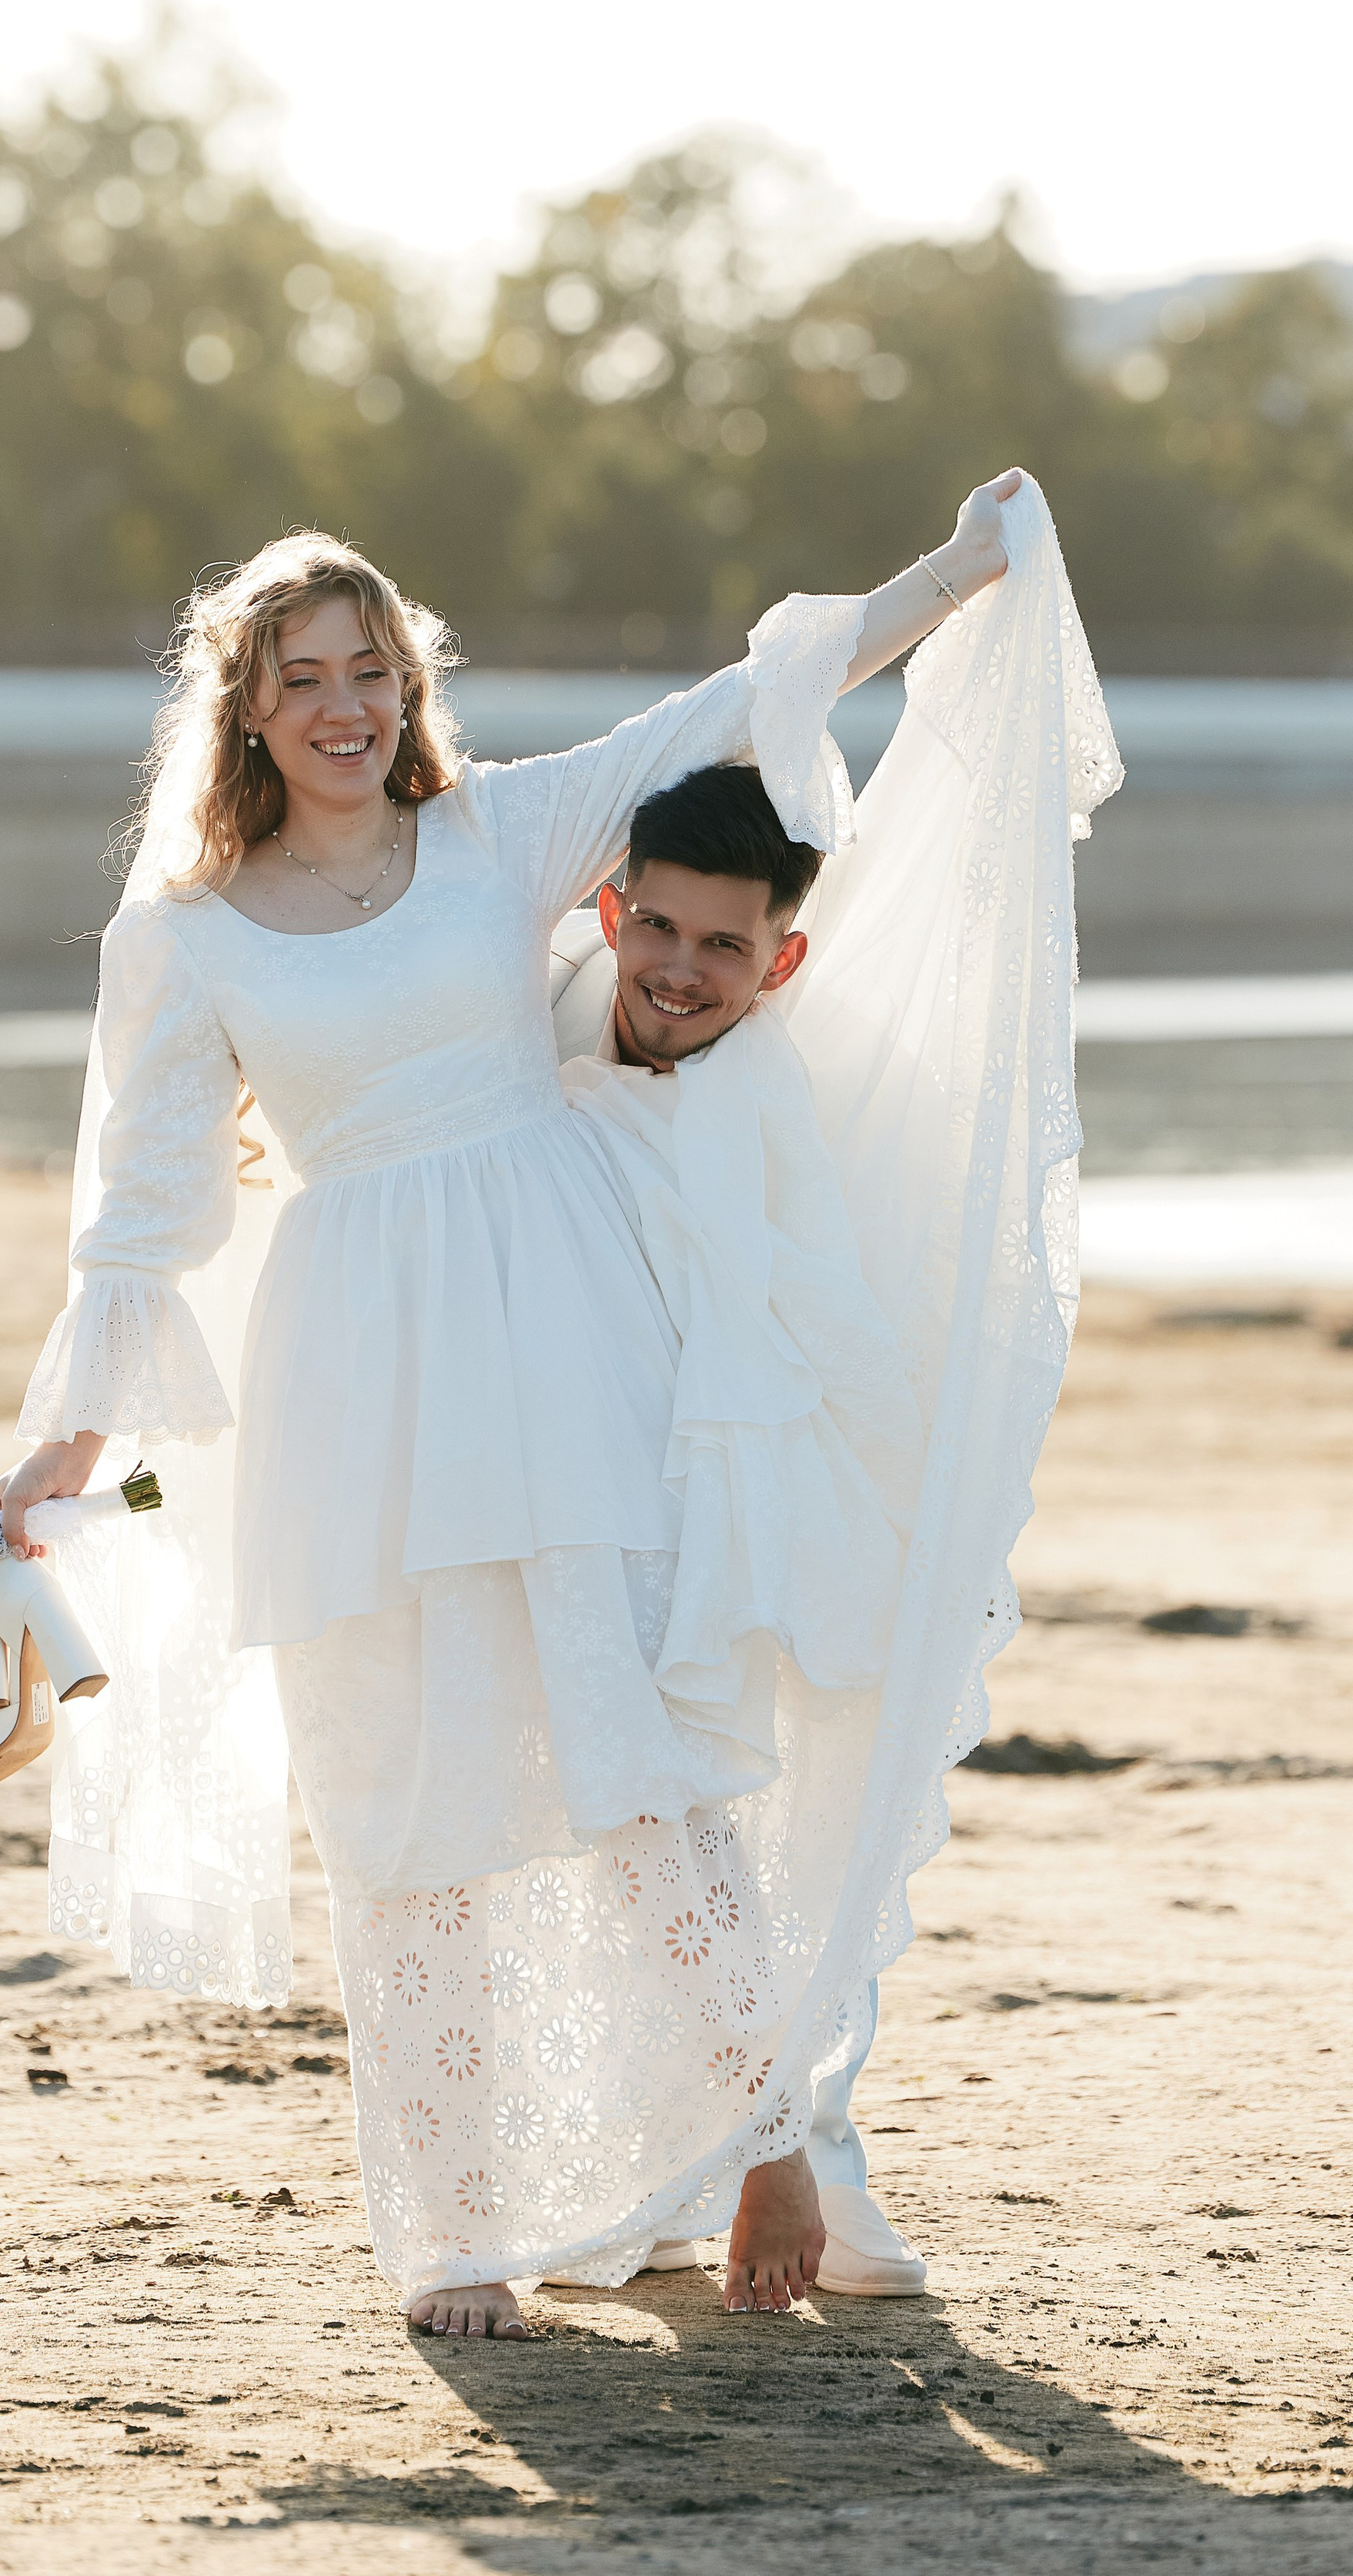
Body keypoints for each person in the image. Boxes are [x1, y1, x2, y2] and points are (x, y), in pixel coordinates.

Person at [0, 469, 1121, 2338]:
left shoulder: (500, 837)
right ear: (246, 709)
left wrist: (955, 562)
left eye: (368, 666)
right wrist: (66, 1447)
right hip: (355, 1373)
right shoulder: (185, 935)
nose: (343, 706)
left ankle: (757, 2130)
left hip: (565, 1342)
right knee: (395, 1806)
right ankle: (454, 2237)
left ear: (404, 681)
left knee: (637, 1754)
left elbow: (733, 711)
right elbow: (145, 1224)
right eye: (301, 678)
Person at [547, 764, 924, 2295]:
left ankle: (778, 2138)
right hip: (552, 1487)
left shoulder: (771, 1102)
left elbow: (818, 1311)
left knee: (702, 1818)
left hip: (709, 1500)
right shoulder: (523, 1045)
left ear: (784, 963)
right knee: (631, 1831)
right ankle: (722, 2151)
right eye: (658, 929)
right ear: (605, 910)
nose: (680, 973)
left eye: (724, 948)